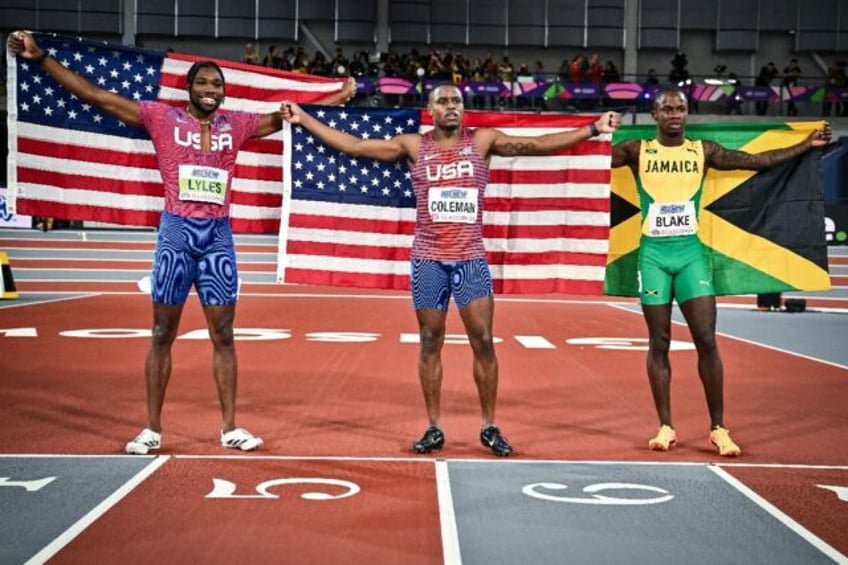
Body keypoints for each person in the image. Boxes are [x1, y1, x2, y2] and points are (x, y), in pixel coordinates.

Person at [7, 31, 357, 455]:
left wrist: (331, 98)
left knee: (224, 334)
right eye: (204, 83)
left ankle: (230, 428)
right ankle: (151, 429)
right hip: (176, 236)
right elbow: (99, 97)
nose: (212, 90)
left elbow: (288, 117)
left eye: (218, 85)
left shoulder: (238, 125)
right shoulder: (161, 118)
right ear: (189, 88)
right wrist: (42, 59)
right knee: (161, 331)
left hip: (218, 241)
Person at [280, 83, 621, 457]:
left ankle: (489, 426)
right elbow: (355, 146)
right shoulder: (413, 146)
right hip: (428, 260)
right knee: (430, 341)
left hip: (470, 258)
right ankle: (433, 427)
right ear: (430, 109)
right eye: (442, 101)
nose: (451, 106)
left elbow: (535, 146)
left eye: (456, 100)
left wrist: (592, 128)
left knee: (484, 341)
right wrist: (305, 119)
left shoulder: (482, 141)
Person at [610, 87, 831, 457]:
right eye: (667, 109)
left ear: (687, 113)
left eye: (681, 108)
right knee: (659, 341)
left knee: (707, 340)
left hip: (691, 256)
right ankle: (665, 426)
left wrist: (805, 145)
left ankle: (718, 428)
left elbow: (757, 161)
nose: (675, 114)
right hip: (653, 259)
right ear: (654, 114)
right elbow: (591, 158)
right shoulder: (637, 151)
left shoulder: (703, 151)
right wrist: (592, 129)